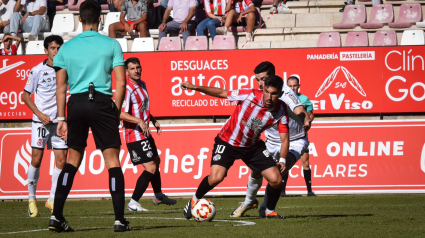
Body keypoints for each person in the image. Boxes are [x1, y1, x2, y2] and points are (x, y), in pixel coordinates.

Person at [49, 0, 130, 232]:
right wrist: (115, 110)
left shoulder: (65, 48)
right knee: (112, 162)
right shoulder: (111, 44)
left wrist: (62, 119)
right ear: (101, 19)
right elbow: (122, 83)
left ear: (79, 19)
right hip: (102, 101)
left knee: (72, 160)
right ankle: (119, 220)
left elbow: (61, 88)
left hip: (76, 103)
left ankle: (56, 216)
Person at [181, 75, 290, 220]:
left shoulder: (282, 109)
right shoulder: (249, 95)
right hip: (227, 141)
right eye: (267, 92)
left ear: (280, 94)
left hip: (252, 146)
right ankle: (194, 200)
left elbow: (285, 138)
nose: (269, 97)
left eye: (274, 93)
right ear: (263, 89)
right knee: (216, 178)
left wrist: (282, 159)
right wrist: (195, 87)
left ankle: (269, 211)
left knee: (276, 179)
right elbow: (221, 93)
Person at [229, 62, 312, 218]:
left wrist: (305, 119)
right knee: (256, 171)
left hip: (295, 140)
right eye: (257, 80)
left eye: (263, 79)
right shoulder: (259, 93)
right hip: (271, 140)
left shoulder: (285, 93)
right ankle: (248, 202)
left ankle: (266, 209)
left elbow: (299, 109)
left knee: (279, 172)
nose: (260, 84)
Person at [120, 57, 177, 212]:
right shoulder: (127, 89)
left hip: (145, 132)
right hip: (134, 134)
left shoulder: (142, 84)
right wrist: (139, 121)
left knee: (156, 161)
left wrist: (153, 121)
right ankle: (133, 202)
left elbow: (143, 108)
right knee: (150, 167)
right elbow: (120, 113)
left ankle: (158, 195)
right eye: (132, 68)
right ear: (126, 71)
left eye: (138, 67)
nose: (136, 71)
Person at [22, 35, 67, 218]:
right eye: (53, 48)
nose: (56, 51)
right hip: (40, 121)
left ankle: (52, 199)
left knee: (62, 160)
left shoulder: (65, 69)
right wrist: (40, 115)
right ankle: (31, 199)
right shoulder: (37, 70)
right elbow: (25, 96)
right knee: (36, 159)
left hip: (59, 122)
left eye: (59, 48)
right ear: (46, 50)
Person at [284, 74, 315, 197]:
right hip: (286, 135)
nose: (292, 88)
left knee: (305, 163)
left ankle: (309, 191)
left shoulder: (304, 99)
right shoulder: (283, 99)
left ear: (299, 86)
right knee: (284, 163)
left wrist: (308, 121)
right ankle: (282, 191)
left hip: (301, 135)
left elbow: (311, 114)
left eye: (295, 86)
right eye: (290, 86)